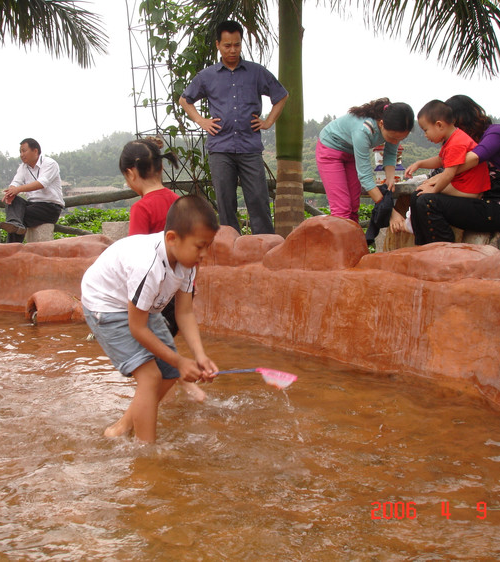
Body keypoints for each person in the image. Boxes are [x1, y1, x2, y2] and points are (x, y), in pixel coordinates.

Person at [81, 195, 219, 443]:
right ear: (172, 238)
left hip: (141, 307)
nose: (204, 254)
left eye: (208, 246)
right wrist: (179, 360)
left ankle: (122, 427)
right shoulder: (148, 265)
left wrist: (199, 356)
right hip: (107, 305)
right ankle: (146, 454)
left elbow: (184, 312)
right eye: (200, 246)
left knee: (167, 373)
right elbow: (137, 328)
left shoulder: (187, 262)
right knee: (151, 376)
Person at [179, 20, 288, 235]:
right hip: (220, 148)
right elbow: (185, 100)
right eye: (227, 45)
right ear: (218, 45)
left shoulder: (256, 72)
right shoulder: (206, 76)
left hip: (250, 148)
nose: (232, 50)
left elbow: (281, 95)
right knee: (225, 203)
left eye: (237, 45)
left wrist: (268, 122)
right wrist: (202, 121)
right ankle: (232, 251)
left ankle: (264, 248)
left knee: (258, 200)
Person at [120, 136, 206, 402]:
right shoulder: (177, 200)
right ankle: (181, 379)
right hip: (180, 284)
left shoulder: (141, 207)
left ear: (131, 174)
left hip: (152, 289)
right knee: (166, 340)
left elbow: (136, 254)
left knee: (151, 346)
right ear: (160, 168)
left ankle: (172, 383)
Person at [395, 95, 500, 244]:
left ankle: (444, 251)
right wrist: (430, 176)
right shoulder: (461, 142)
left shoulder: (497, 133)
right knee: (419, 196)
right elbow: (445, 164)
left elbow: (476, 157)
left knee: (428, 202)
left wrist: (440, 178)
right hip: (480, 202)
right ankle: (426, 248)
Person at [315, 98, 414, 226]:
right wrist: (390, 212)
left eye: (401, 138)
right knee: (342, 209)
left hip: (351, 153)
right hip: (330, 151)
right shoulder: (364, 130)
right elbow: (366, 178)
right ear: (382, 123)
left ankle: (353, 243)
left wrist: (390, 178)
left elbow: (390, 153)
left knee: (353, 206)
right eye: (393, 138)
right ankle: (342, 245)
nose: (395, 142)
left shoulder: (394, 130)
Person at [404, 100, 490, 198]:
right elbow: (440, 160)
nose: (425, 135)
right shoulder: (453, 138)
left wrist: (433, 190)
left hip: (469, 188)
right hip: (465, 184)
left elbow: (448, 174)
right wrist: (419, 164)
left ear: (439, 125)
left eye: (426, 130)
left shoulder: (456, 143)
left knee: (422, 192)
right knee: (422, 189)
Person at [0, 138, 65, 243]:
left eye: (24, 151)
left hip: (50, 208)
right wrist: (10, 192)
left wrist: (18, 189)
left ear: (35, 151)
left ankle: (11, 248)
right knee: (13, 202)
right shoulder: (23, 167)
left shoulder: (50, 164)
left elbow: (42, 183)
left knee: (18, 215)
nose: (21, 155)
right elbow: (16, 182)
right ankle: (15, 225)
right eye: (20, 152)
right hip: (32, 205)